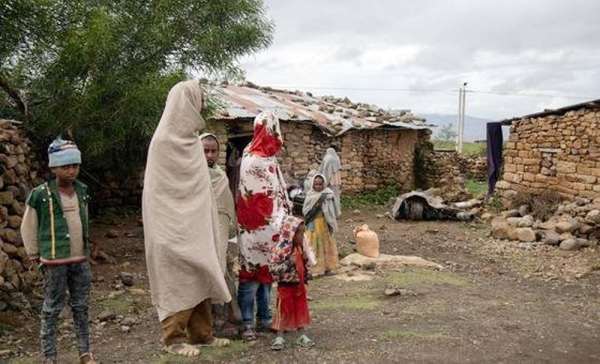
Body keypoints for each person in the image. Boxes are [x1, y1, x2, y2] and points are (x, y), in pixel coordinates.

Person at [143, 80, 231, 357]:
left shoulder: (194, 144)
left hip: (195, 224)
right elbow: (159, 189)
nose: (202, 106)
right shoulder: (163, 142)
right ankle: (173, 338)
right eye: (198, 100)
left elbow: (200, 187)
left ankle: (202, 334)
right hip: (168, 225)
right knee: (177, 277)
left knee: (201, 269)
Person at [21, 137, 98, 364]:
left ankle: (85, 353)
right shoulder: (41, 195)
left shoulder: (82, 191)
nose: (71, 171)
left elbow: (83, 221)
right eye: (65, 166)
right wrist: (35, 256)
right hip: (54, 261)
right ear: (53, 167)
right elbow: (29, 226)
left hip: (80, 260)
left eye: (74, 166)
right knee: (51, 309)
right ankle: (50, 357)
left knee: (81, 307)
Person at [236, 111, 292, 341]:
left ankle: (264, 318)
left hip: (270, 229)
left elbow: (278, 191)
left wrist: (283, 217)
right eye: (274, 131)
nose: (277, 137)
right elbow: (255, 196)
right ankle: (246, 322)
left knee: (267, 276)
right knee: (250, 276)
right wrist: (275, 218)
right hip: (253, 228)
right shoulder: (252, 158)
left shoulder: (269, 158)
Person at [199, 133, 242, 334]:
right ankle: (204, 321)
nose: (210, 155)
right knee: (203, 270)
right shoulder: (190, 176)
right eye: (205, 150)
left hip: (220, 229)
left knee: (220, 266)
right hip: (199, 231)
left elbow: (226, 205)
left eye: (213, 151)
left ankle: (222, 317)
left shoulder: (221, 176)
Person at [268, 216, 315, 350]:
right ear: (291, 233)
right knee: (283, 310)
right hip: (285, 286)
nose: (302, 236)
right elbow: (273, 269)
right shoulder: (280, 249)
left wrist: (305, 263)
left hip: (298, 285)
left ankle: (302, 335)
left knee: (300, 309)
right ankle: (279, 336)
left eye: (303, 233)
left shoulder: (299, 248)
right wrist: (289, 262)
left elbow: (304, 266)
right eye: (299, 233)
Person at [302, 173, 341, 276]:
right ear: (312, 185)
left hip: (324, 224)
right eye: (316, 184)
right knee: (313, 246)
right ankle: (311, 269)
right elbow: (305, 211)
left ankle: (327, 268)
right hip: (313, 224)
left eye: (320, 184)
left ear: (323, 184)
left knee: (326, 245)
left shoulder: (328, 194)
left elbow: (334, 208)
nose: (318, 186)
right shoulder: (310, 195)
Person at [318, 145, 342, 212]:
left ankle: (330, 212)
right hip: (337, 181)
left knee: (329, 197)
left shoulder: (327, 159)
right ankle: (337, 211)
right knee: (336, 196)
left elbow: (326, 171)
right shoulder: (337, 158)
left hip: (331, 181)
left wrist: (324, 181)